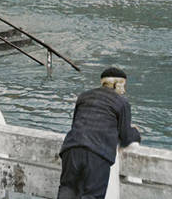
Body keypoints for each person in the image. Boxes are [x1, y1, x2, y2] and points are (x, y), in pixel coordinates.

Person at [57, 67, 141, 199]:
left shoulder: (83, 96)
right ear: (116, 84)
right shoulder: (122, 103)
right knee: (92, 195)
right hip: (97, 153)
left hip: (71, 148)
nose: (124, 90)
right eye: (123, 86)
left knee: (67, 188)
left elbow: (75, 124)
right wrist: (135, 131)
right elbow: (125, 137)